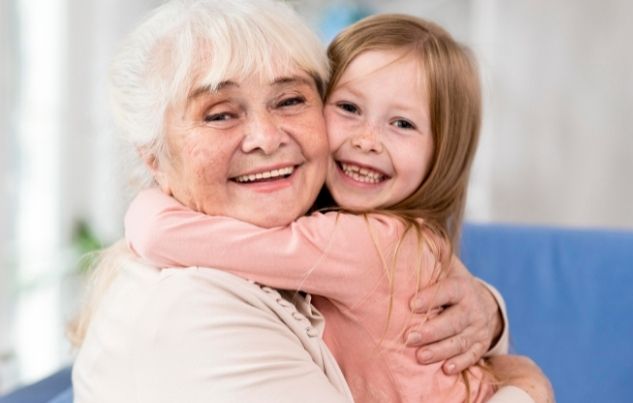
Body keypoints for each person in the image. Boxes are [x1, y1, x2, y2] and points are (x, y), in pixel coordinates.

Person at [70, 0, 552, 402]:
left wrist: (487, 310)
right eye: (219, 114)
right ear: (152, 156)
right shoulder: (192, 313)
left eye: (289, 101)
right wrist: (525, 391)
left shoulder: (349, 234)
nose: (265, 137)